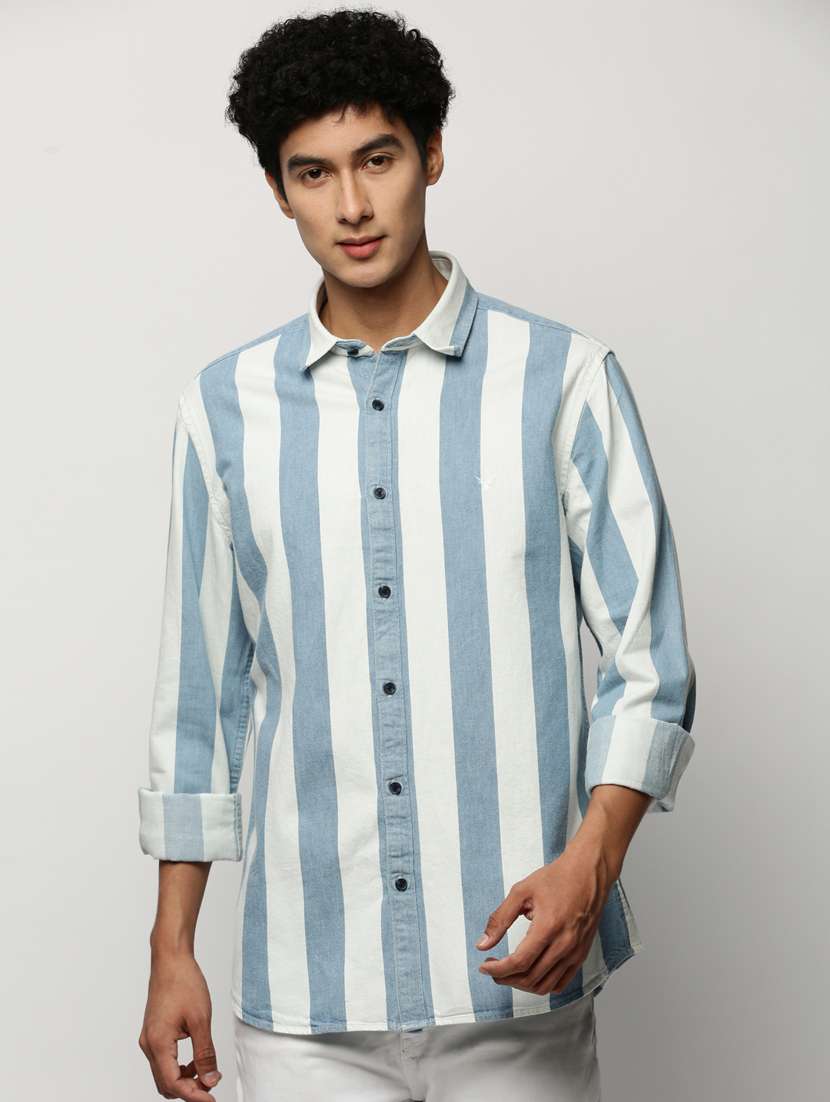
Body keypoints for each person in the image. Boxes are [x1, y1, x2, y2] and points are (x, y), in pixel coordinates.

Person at [136, 9, 697, 1101]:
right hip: (307, 999)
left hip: (514, 981)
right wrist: (172, 949)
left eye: (377, 159)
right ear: (279, 190)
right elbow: (199, 701)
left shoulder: (563, 380)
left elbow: (649, 662)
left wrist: (593, 860)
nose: (350, 205)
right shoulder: (224, 409)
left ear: (431, 154)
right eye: (313, 173)